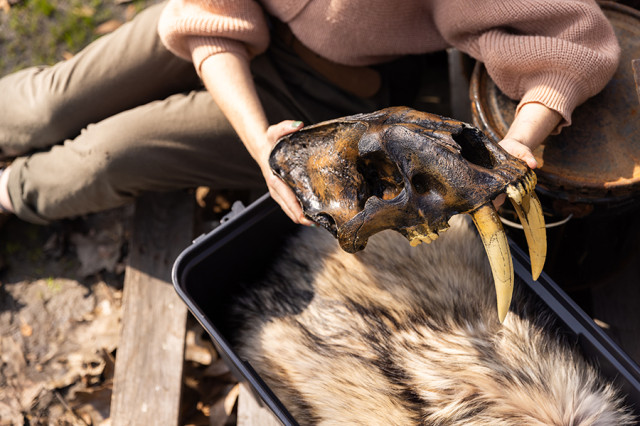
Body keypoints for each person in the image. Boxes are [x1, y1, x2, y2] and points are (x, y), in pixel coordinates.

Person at [0, 0, 620, 227]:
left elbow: (575, 43)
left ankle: (10, 192)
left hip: (318, 97)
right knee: (43, 105)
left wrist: (522, 139)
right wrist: (254, 138)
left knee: (108, 155)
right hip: (209, 21)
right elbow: (213, 26)